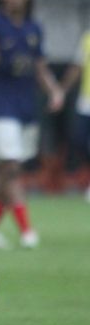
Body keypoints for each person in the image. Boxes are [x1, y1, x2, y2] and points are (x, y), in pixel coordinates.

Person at [0, 0, 64, 249]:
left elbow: (39, 64)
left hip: (26, 104)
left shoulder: (34, 28)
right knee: (11, 166)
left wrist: (54, 90)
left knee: (10, 170)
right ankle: (26, 230)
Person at [61, 30, 90, 201]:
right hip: (86, 102)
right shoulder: (87, 38)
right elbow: (77, 67)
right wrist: (62, 90)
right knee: (80, 142)